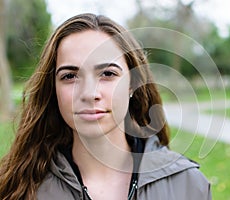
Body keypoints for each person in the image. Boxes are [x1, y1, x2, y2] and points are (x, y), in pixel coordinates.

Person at [0, 13, 211, 200]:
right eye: (70, 76)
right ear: (53, 89)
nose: (90, 93)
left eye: (108, 74)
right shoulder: (18, 188)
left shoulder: (188, 184)